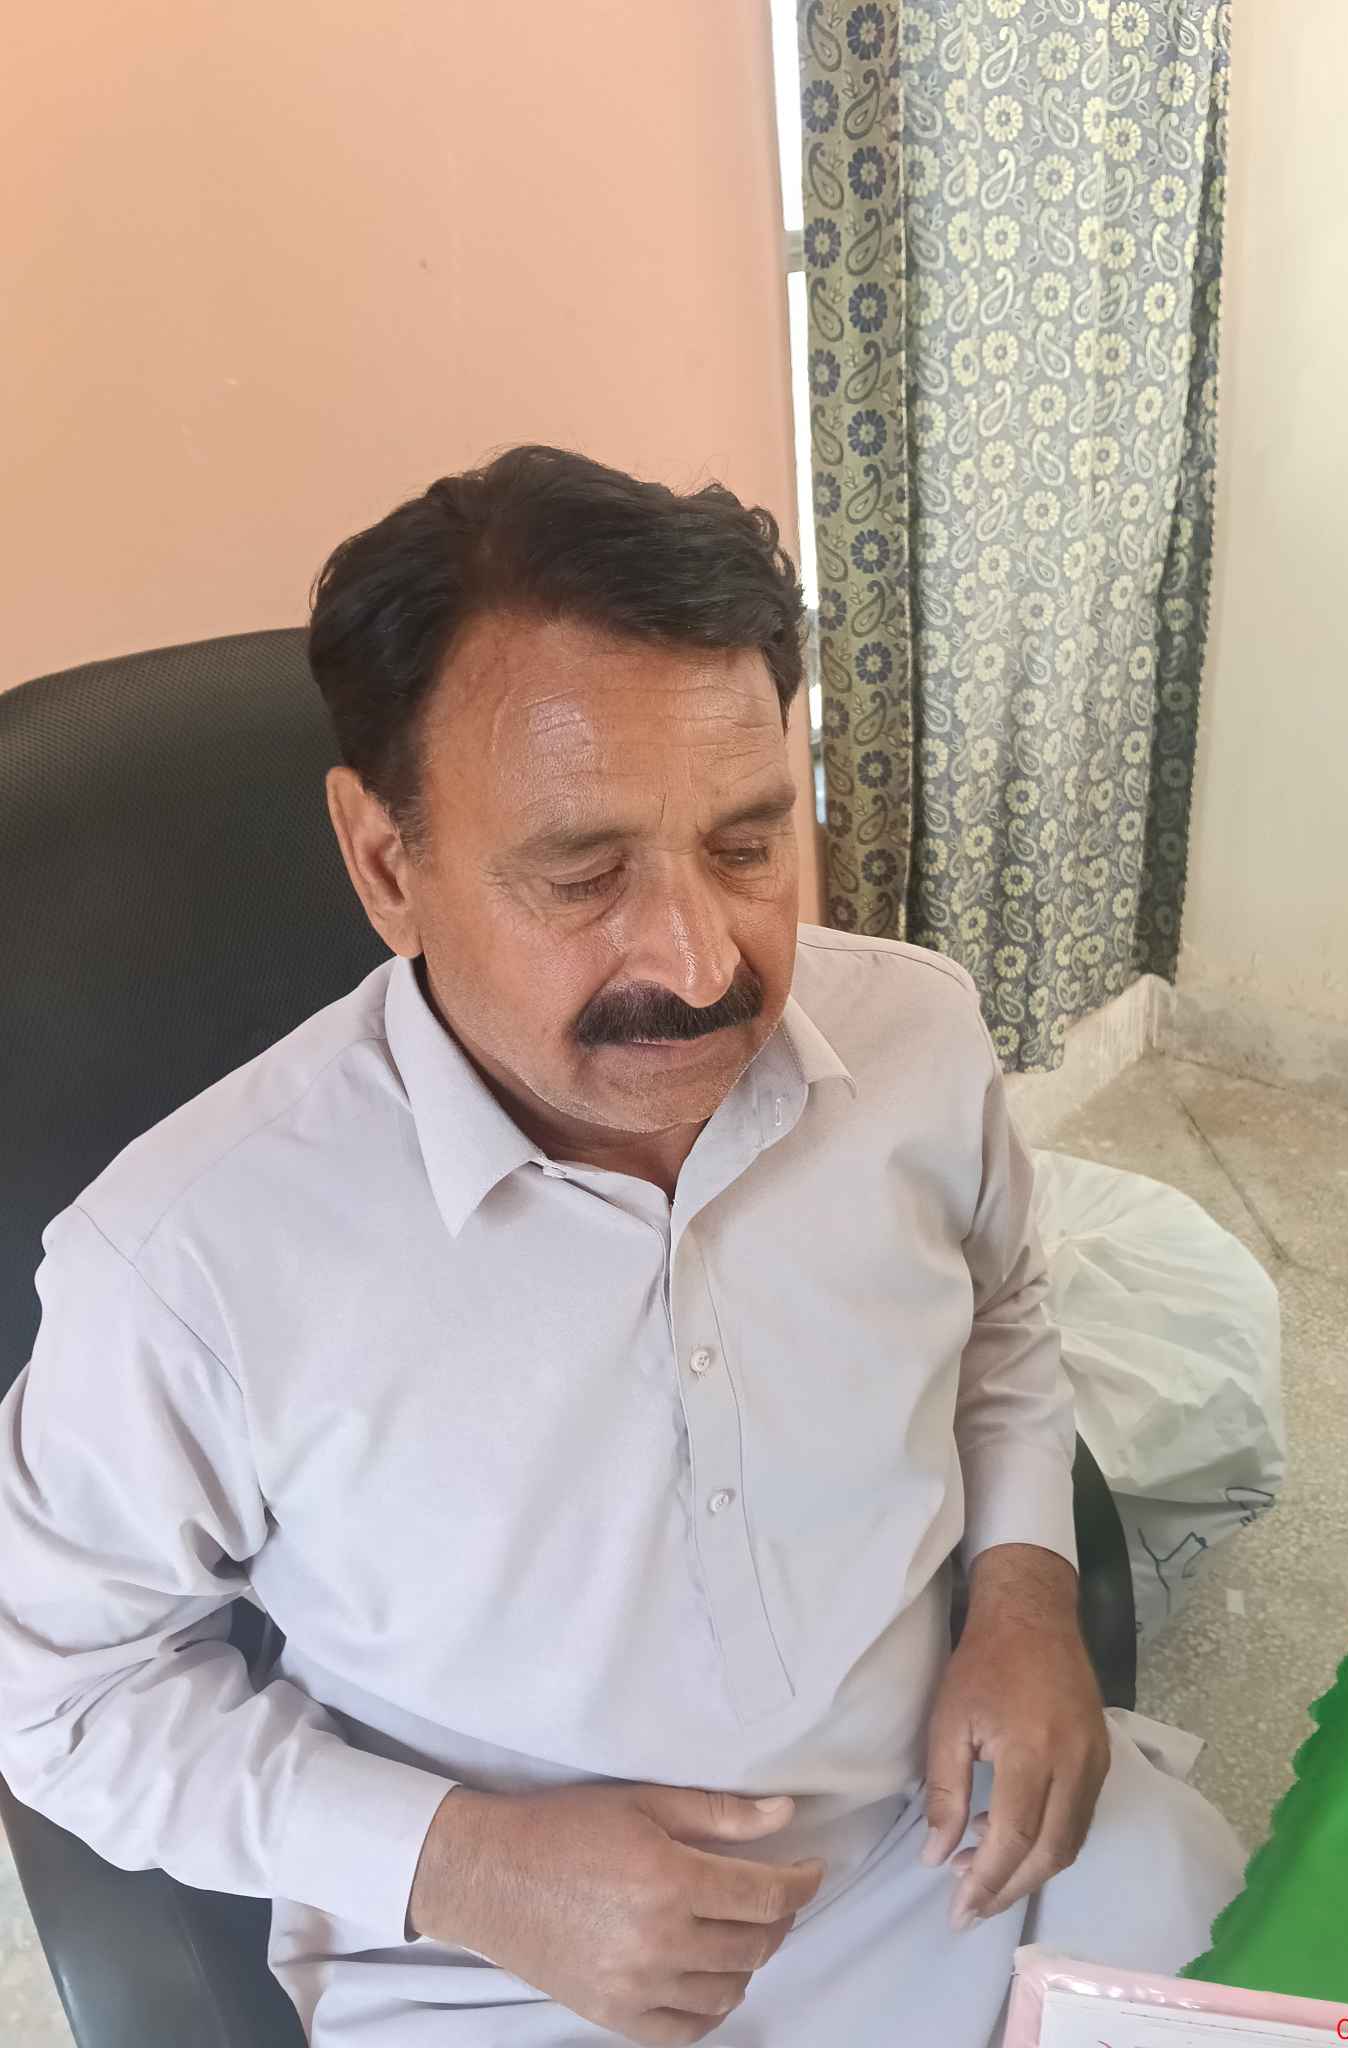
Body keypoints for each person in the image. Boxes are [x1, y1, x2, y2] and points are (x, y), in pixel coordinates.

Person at [0, 447, 1244, 2047]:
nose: (701, 960)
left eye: (747, 845)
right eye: (583, 876)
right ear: (386, 864)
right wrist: (460, 1863)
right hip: (507, 1974)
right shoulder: (186, 1263)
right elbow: (55, 1693)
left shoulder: (915, 1037)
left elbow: (1000, 1311)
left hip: (956, 1847)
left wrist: (1021, 1592)